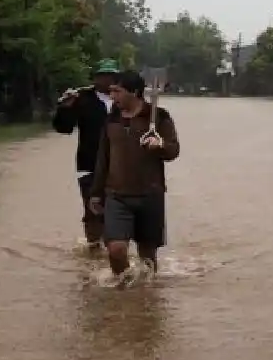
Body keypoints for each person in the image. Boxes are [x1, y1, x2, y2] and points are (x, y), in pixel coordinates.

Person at [88, 69, 180, 280]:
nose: (112, 97)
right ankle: (123, 292)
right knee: (116, 250)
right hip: (117, 196)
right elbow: (103, 158)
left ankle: (144, 301)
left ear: (135, 92)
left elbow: (174, 151)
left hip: (150, 195)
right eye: (111, 92)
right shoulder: (111, 120)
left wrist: (160, 145)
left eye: (117, 91)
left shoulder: (159, 117)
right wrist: (95, 193)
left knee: (147, 259)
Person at [52, 59, 121, 248]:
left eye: (112, 76)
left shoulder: (123, 99)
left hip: (119, 166)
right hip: (89, 165)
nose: (108, 80)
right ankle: (93, 248)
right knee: (92, 210)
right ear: (95, 78)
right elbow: (63, 128)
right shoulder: (82, 99)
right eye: (103, 75)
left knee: (118, 211)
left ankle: (114, 250)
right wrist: (65, 108)